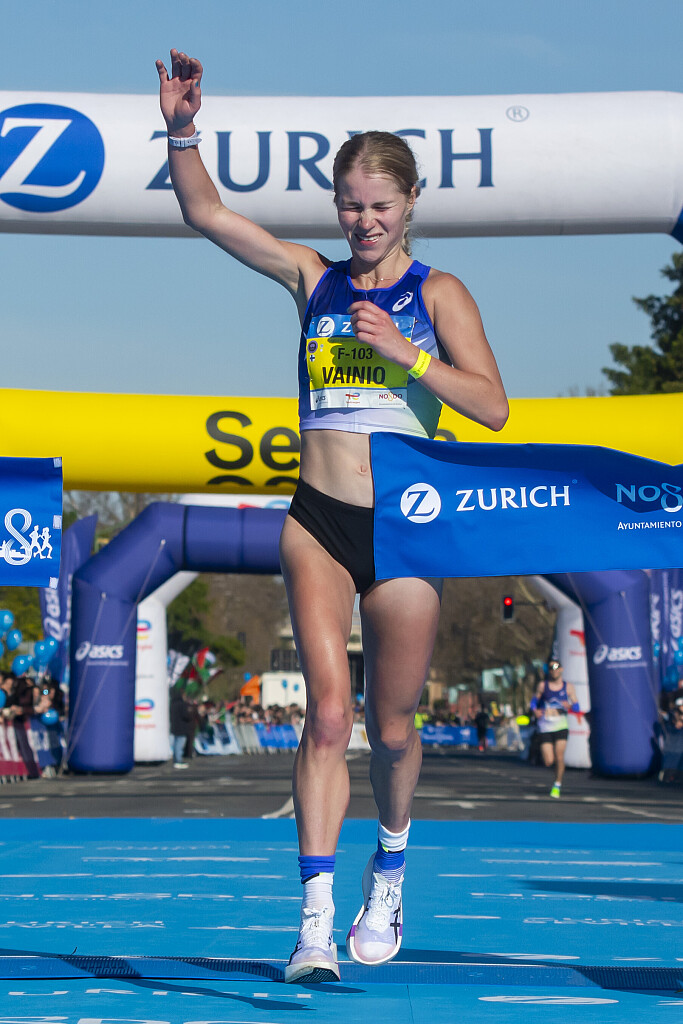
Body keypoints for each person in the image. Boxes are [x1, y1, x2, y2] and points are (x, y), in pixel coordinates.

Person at [156, 49, 508, 984]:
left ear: (410, 203)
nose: (363, 221)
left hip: (406, 528)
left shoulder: (437, 294)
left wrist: (407, 357)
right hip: (316, 518)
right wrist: (183, 131)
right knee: (325, 716)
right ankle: (312, 922)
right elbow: (205, 213)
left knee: (390, 731)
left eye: (379, 205)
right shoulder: (310, 278)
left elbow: (491, 407)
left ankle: (388, 865)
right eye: (350, 205)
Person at [530, 658, 580, 798]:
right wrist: (535, 711)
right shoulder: (543, 685)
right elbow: (533, 702)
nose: (554, 670)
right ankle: (555, 772)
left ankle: (557, 784)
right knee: (549, 761)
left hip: (561, 726)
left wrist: (570, 706)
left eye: (556, 667)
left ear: (561, 669)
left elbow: (577, 706)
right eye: (551, 668)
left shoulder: (568, 687)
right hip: (545, 726)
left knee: (559, 756)